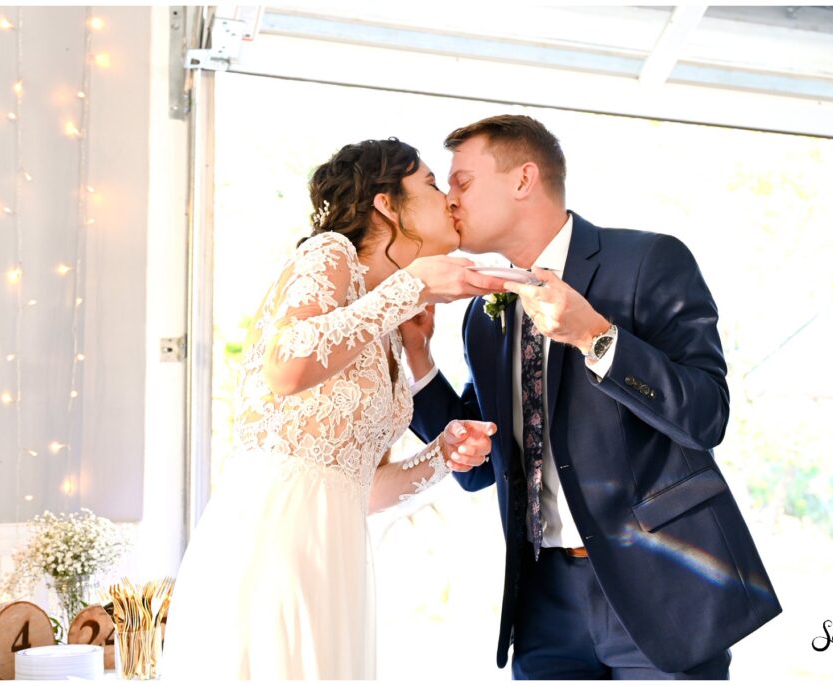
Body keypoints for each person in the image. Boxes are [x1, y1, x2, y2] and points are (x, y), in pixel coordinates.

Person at [403, 115, 782, 679]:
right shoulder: (484, 316)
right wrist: (417, 358)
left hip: (661, 588)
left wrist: (595, 337)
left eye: (462, 182)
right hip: (540, 599)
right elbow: (477, 467)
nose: (450, 200)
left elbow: (707, 415)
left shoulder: (649, 261)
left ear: (523, 179)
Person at [162, 138, 505, 679]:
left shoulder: (388, 329)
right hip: (272, 543)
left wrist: (443, 453)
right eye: (432, 184)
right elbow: (287, 363)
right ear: (386, 204)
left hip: (336, 556)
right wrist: (410, 286)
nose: (448, 200)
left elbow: (363, 488)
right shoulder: (331, 255)